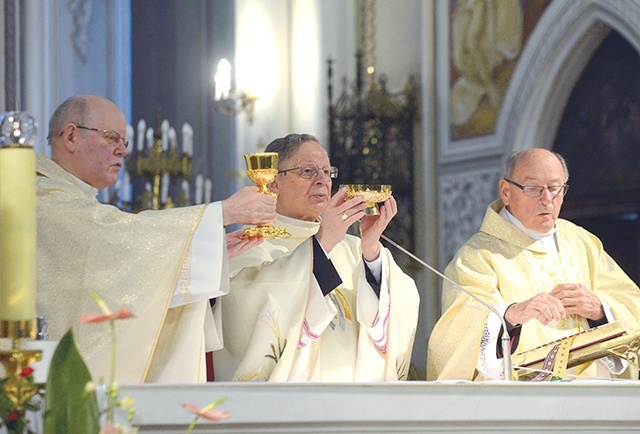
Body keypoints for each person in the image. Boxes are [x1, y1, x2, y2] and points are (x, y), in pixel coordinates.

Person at [37, 94, 276, 383]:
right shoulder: (43, 198)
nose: (122, 151)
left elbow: (120, 267)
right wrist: (222, 213)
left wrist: (199, 250)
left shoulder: (72, 198)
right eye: (112, 138)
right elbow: (109, 235)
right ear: (72, 136)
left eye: (124, 142)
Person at [212, 133, 420, 381]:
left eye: (326, 171)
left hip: (354, 405)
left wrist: (372, 252)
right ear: (274, 182)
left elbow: (400, 307)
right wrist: (322, 244)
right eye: (308, 171)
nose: (322, 180)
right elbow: (246, 314)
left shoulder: (356, 249)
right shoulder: (248, 245)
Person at [427, 148, 640, 381]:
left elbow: (631, 302)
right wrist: (512, 314)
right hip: (525, 400)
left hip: (592, 393)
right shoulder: (477, 256)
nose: (547, 199)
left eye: (554, 188)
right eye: (534, 189)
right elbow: (458, 330)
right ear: (506, 192)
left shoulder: (583, 242)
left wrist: (600, 309)